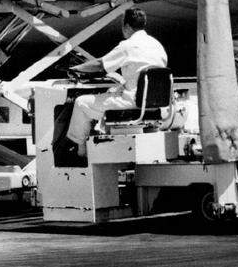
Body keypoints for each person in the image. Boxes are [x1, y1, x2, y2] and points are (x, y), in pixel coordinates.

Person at [62, 8, 168, 162]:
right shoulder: (157, 45)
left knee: (81, 103)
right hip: (154, 103)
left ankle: (80, 151)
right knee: (112, 92)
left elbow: (100, 65)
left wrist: (75, 69)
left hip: (132, 103)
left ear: (127, 26)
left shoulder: (128, 45)